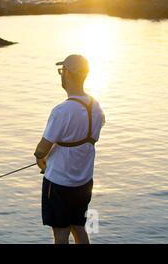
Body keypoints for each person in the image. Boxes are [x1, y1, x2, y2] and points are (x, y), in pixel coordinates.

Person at [33, 54, 105, 244]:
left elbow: (42, 149)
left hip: (59, 183)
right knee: (79, 227)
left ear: (68, 74)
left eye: (62, 71)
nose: (61, 75)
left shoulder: (61, 111)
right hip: (84, 181)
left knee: (61, 233)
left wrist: (40, 158)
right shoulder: (95, 106)